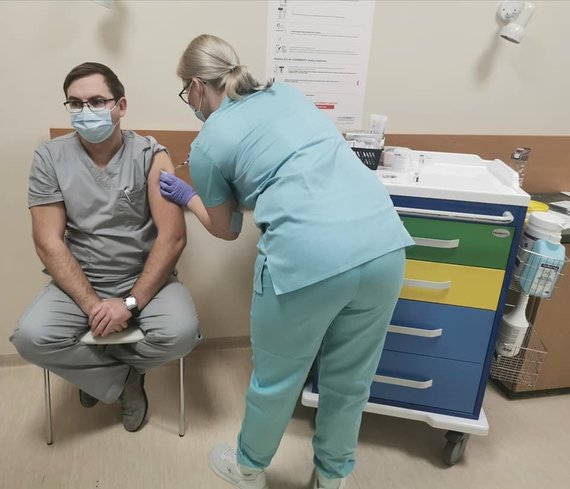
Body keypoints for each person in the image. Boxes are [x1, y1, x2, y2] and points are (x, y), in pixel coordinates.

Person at [160, 35, 414, 489]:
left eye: (187, 92)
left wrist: (189, 196)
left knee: (277, 379)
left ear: (196, 86)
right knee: (350, 380)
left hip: (309, 259)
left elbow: (227, 228)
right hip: (383, 243)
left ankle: (248, 469)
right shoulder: (288, 94)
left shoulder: (207, 144)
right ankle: (332, 478)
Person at [11, 62, 201, 433]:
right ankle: (121, 378)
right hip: (79, 281)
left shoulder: (151, 155)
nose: (86, 111)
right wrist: (94, 306)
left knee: (181, 334)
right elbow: (48, 242)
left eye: (97, 101)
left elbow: (173, 237)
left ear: (121, 106)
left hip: (144, 279)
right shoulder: (50, 158)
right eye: (75, 104)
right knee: (32, 338)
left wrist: (128, 305)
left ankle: (96, 374)